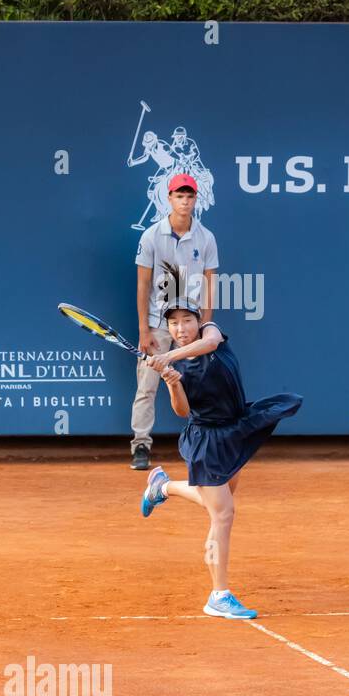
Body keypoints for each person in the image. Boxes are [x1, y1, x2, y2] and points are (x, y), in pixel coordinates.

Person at [138, 300, 302, 618]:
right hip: (208, 439)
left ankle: (163, 487)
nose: (181, 327)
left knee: (217, 503)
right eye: (173, 323)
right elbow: (182, 411)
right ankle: (219, 594)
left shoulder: (211, 334)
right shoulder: (176, 368)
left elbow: (210, 342)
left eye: (187, 320)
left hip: (236, 430)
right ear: (168, 329)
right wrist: (172, 382)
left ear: (199, 322)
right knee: (223, 514)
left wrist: (167, 356)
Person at [131, 172, 218, 470]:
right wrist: (144, 328)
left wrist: (206, 325)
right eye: (179, 196)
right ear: (169, 198)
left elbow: (210, 284)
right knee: (148, 386)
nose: (184, 201)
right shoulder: (151, 236)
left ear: (196, 199)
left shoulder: (206, 238)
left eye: (189, 196)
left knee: (201, 385)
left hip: (192, 328)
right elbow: (143, 285)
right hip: (158, 325)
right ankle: (141, 445)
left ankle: (205, 440)